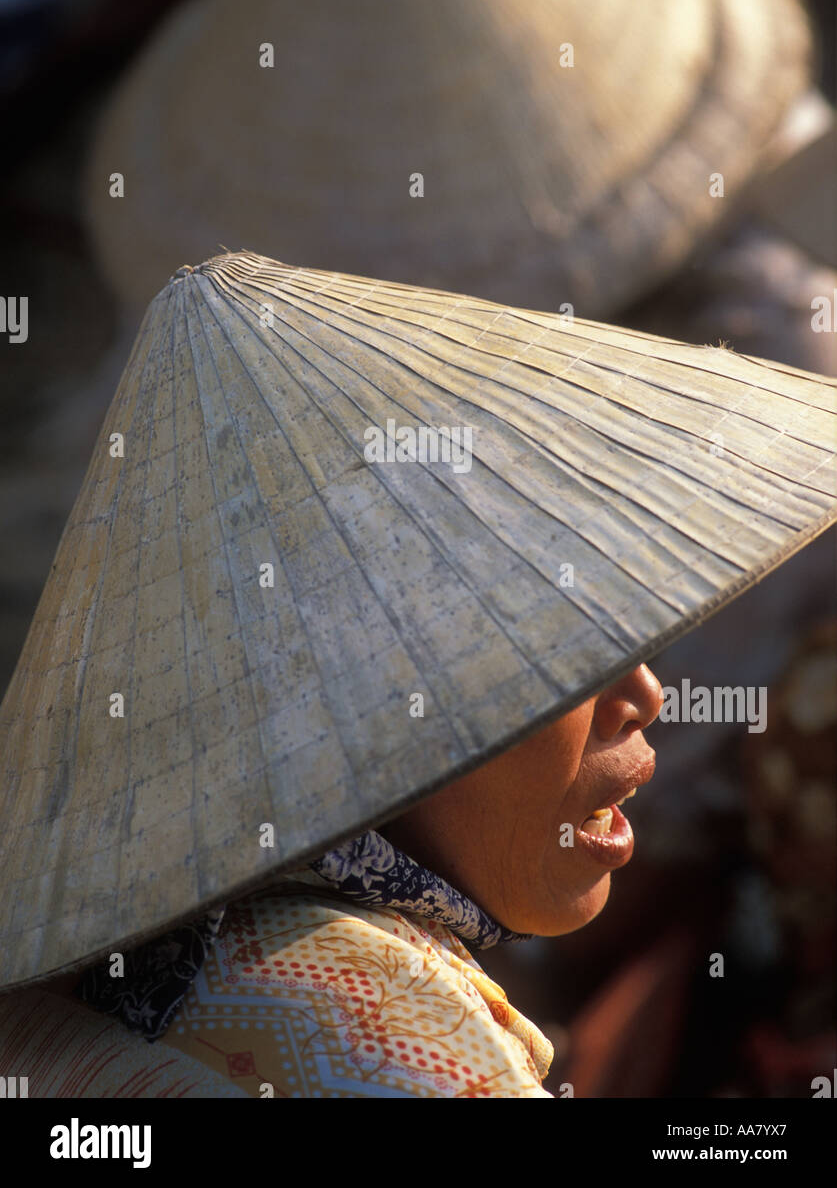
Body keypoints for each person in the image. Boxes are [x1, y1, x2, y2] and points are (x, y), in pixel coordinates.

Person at [1, 252, 834, 1098]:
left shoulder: (86, 987)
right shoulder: (397, 1043)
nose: (644, 696)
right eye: (565, 653)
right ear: (374, 709)